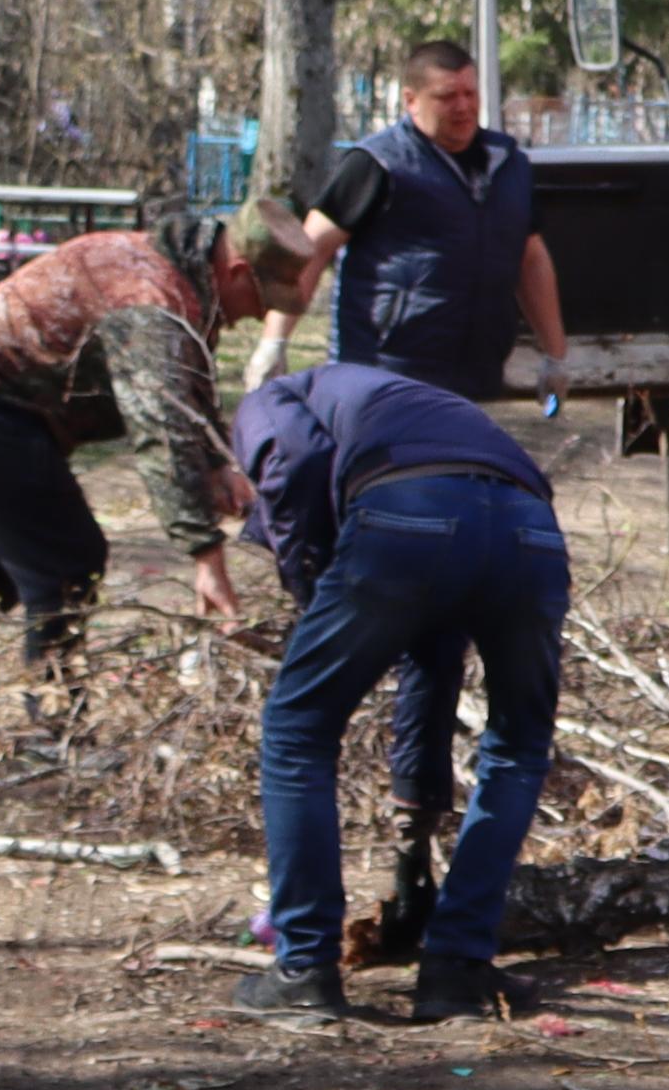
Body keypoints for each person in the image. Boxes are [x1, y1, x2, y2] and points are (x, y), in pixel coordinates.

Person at [290, 37, 571, 963]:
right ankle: (405, 843)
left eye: (471, 92)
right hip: (386, 402)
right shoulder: (377, 164)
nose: (464, 108)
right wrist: (271, 344)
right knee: (414, 623)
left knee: (445, 635)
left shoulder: (504, 163)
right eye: (447, 95)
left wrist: (557, 355)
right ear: (409, 98)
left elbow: (531, 252)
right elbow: (314, 247)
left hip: (470, 398)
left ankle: (419, 843)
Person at [229, 353, 568, 1024]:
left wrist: (312, 599)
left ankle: (304, 969)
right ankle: (456, 970)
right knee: (518, 745)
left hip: (408, 516)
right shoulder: (410, 407)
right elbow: (431, 665)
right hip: (531, 529)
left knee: (298, 728)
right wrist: (413, 848)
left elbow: (290, 468)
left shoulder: (270, 395)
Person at [0, 212, 310, 755]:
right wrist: (205, 552)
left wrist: (216, 464)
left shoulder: (180, 277)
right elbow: (159, 425)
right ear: (234, 271)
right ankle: (57, 725)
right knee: (66, 559)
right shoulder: (149, 300)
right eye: (260, 301)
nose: (255, 318)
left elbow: (185, 376)